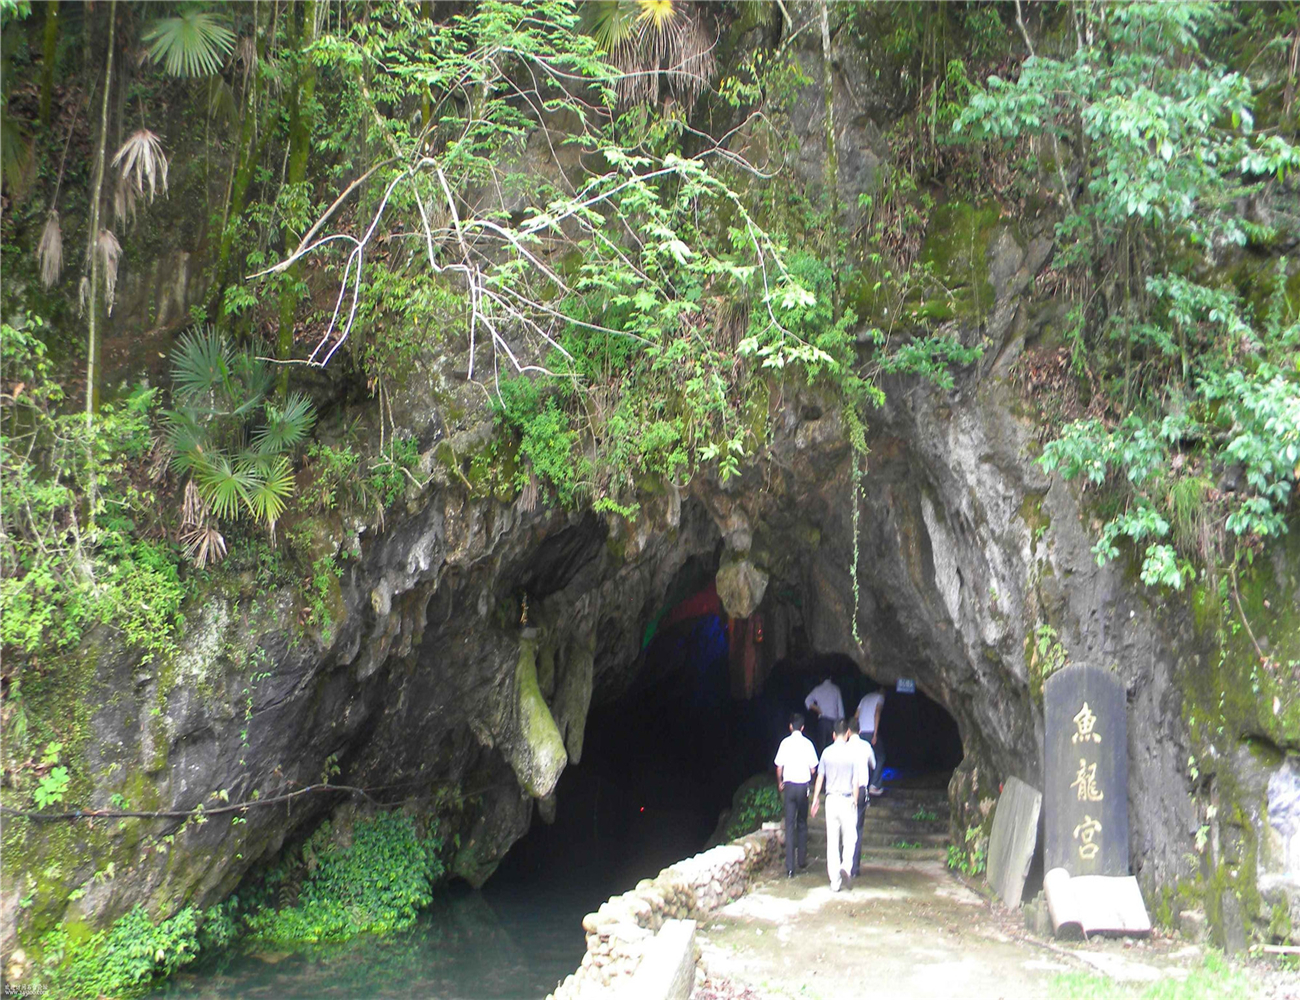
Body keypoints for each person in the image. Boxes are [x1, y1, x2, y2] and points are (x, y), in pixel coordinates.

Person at [810, 719, 863, 892]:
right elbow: (855, 781)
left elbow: (820, 778)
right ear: (848, 733)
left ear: (833, 735)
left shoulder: (826, 753)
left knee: (832, 841)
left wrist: (816, 799)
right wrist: (855, 801)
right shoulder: (853, 754)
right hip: (847, 799)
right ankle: (846, 866)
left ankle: (835, 881)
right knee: (851, 838)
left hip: (831, 800)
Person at [774, 713, 819, 878]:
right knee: (802, 822)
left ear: (790, 726)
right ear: (803, 727)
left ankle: (790, 868)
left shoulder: (785, 743)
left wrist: (780, 782)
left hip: (789, 786)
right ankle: (802, 860)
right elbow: (814, 768)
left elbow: (779, 766)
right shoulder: (808, 744)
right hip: (802, 787)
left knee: (790, 824)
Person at [846, 716, 876, 880]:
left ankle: (845, 865)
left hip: (846, 790)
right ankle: (855, 868)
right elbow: (874, 765)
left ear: (848, 732)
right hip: (862, 790)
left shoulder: (844, 747)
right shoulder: (866, 746)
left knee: (845, 828)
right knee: (858, 829)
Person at [856, 686, 887, 795]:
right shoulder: (880, 697)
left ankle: (863, 784)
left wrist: (856, 731)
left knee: (864, 758)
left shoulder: (864, 698)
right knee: (880, 757)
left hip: (861, 732)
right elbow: (877, 712)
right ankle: (874, 785)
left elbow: (856, 716)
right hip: (870, 731)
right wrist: (875, 734)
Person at [805, 675, 844, 754]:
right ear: (830, 677)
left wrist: (818, 709)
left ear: (821, 678)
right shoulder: (835, 689)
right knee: (832, 747)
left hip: (822, 721)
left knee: (822, 747)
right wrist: (842, 722)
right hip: (833, 722)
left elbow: (807, 701)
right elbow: (840, 708)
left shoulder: (818, 689)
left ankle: (822, 764)